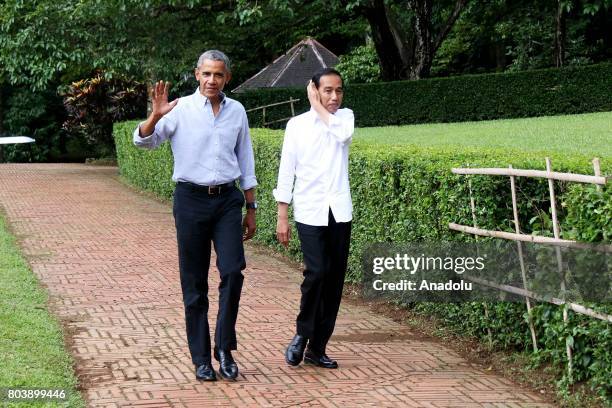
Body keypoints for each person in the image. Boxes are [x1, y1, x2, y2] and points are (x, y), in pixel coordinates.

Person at [133, 50, 258, 382]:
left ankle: (224, 349)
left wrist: (251, 208)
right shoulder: (180, 110)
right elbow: (143, 141)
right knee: (194, 282)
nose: (211, 80)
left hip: (228, 200)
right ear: (196, 74)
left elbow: (245, 160)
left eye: (218, 75)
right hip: (190, 201)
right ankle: (201, 357)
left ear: (226, 78)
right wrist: (155, 116)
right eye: (206, 74)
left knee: (233, 271)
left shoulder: (237, 112)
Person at [274, 68, 354, 369]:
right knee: (316, 273)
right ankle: (301, 334)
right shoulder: (296, 126)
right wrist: (282, 214)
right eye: (328, 90)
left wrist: (319, 106)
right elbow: (287, 170)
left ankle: (317, 348)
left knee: (333, 282)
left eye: (339, 90)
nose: (334, 96)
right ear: (314, 90)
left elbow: (341, 134)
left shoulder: (345, 118)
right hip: (309, 212)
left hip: (339, 212)